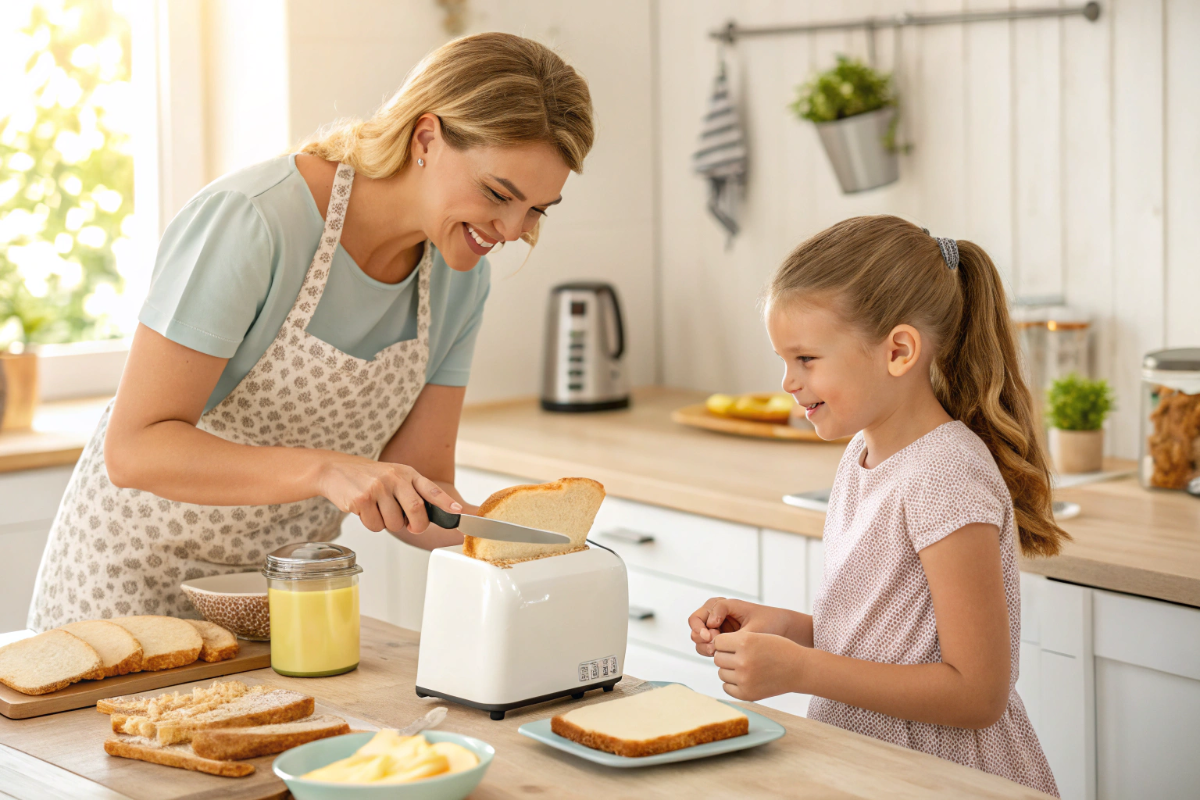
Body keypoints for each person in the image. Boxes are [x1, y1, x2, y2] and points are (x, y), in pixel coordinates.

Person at [28, 32, 594, 630]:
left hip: (280, 598)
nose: (509, 230)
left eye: (536, 209)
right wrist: (325, 469)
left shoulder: (458, 282)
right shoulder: (254, 221)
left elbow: (420, 487)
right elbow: (135, 449)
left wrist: (513, 545)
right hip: (129, 588)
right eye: (497, 194)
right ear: (427, 137)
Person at [688, 215, 1062, 796]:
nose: (787, 382)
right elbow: (886, 640)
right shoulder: (862, 455)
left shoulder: (946, 475)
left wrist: (801, 671)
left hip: (942, 777)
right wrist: (787, 633)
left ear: (898, 351)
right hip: (870, 766)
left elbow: (977, 693)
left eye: (806, 359)